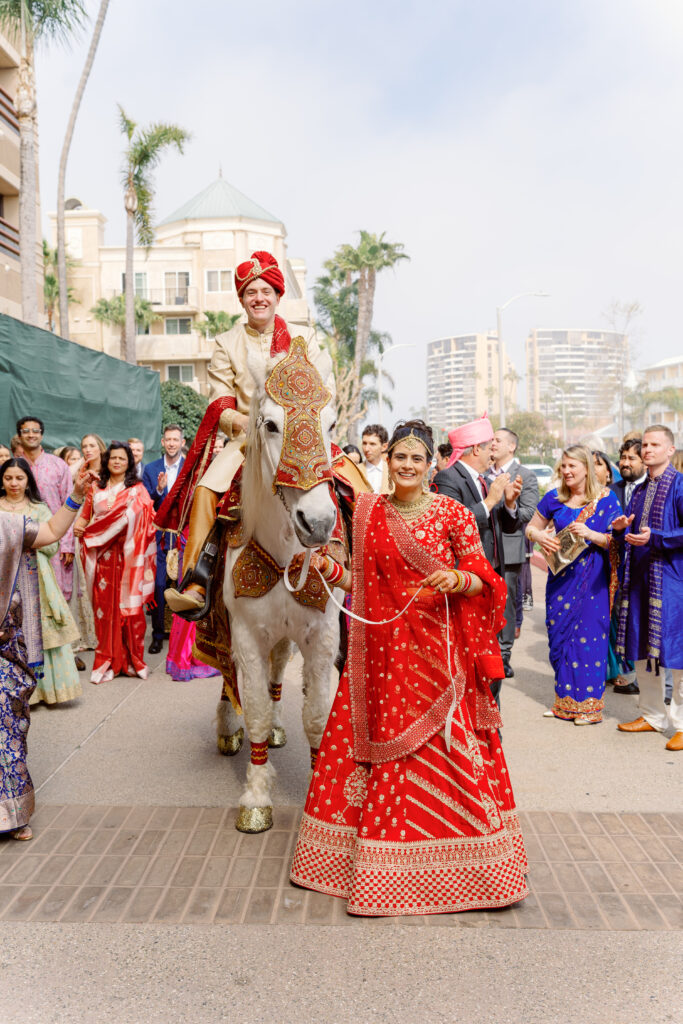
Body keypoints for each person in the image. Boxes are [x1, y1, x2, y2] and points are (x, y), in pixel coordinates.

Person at [290, 420, 528, 916]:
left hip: (438, 653)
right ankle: (375, 870)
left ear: (431, 464)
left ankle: (475, 868)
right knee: (375, 750)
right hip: (381, 653)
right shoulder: (369, 511)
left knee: (452, 751)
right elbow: (357, 578)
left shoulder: (454, 514)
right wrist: (325, 569)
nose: (407, 466)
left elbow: (486, 582)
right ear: (389, 461)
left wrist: (458, 578)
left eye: (417, 459)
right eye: (400, 457)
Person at [162, 251, 333, 614]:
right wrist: (243, 423)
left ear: (278, 295)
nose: (259, 298)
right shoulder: (227, 342)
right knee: (208, 489)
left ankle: (356, 564)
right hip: (249, 440)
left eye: (266, 290)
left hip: (304, 437)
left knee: (351, 479)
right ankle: (196, 579)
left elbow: (324, 388)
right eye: (251, 291)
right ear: (241, 299)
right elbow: (220, 399)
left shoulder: (305, 338)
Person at [1, 462, 95, 839]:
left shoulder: (7, 526)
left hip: (4, 649)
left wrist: (76, 494)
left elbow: (54, 530)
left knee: (7, 730)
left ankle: (13, 816)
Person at [526, 445, 621, 725]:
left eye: (572, 467)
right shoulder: (553, 498)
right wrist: (539, 537)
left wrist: (592, 534)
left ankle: (589, 708)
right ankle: (564, 704)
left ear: (586, 469)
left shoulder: (606, 499)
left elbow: (617, 541)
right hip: (560, 581)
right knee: (560, 640)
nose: (566, 471)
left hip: (592, 584)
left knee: (589, 641)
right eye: (563, 466)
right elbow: (530, 527)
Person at [431, 414, 521, 706]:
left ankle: (488, 717)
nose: (493, 451)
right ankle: (475, 717)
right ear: (475, 450)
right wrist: (491, 501)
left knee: (491, 652)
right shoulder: (449, 478)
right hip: (468, 580)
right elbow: (451, 526)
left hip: (493, 575)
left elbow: (506, 529)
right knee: (472, 652)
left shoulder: (486, 480)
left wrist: (507, 503)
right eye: (489, 445)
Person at [614, 425, 683, 751]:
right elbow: (630, 534)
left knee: (679, 654)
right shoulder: (639, 490)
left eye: (656, 444)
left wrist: (656, 538)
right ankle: (653, 715)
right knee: (642, 652)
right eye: (645, 444)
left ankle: (681, 723)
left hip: (672, 582)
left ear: (670, 450)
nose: (648, 449)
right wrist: (619, 530)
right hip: (640, 582)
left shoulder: (679, 485)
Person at [0, 459, 82, 705]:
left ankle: (40, 693)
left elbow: (53, 541)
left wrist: (23, 543)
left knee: (39, 631)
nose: (14, 483)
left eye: (19, 478)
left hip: (36, 578)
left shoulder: (38, 507)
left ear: (28, 481)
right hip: (4, 579)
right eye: (8, 478)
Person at [74, 442, 156, 684]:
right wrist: (81, 526)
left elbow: (147, 519)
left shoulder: (137, 490)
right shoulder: (95, 488)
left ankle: (132, 661)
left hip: (129, 557)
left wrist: (124, 522)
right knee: (105, 610)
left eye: (122, 458)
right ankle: (106, 660)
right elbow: (86, 516)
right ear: (107, 461)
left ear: (129, 462)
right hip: (102, 558)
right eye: (113, 458)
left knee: (129, 612)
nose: (117, 462)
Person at [486, 428, 539, 677]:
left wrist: (509, 504)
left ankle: (504, 654)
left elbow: (529, 513)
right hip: (484, 548)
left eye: (497, 440)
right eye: (491, 440)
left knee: (506, 604)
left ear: (511, 446)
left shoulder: (525, 476)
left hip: (509, 549)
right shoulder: (482, 474)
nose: (492, 444)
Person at [16, 416, 75, 602]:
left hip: (54, 541)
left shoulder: (58, 465)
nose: (31, 435)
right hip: (20, 541)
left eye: (35, 431)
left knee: (55, 594)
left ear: (42, 435)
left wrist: (67, 544)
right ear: (19, 435)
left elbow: (69, 503)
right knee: (22, 596)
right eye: (26, 431)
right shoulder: (14, 467)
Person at [608, 438, 647, 695]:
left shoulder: (655, 489)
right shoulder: (612, 491)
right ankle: (626, 674)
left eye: (631, 458)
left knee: (644, 624)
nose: (625, 462)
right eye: (622, 457)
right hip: (617, 568)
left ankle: (651, 681)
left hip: (647, 567)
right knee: (621, 622)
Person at [142, 425, 185, 653]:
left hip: (183, 535)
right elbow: (145, 501)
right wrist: (158, 491)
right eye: (168, 439)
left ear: (182, 442)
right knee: (159, 585)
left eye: (175, 440)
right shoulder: (151, 469)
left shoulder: (190, 467)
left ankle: (182, 635)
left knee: (183, 585)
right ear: (162, 442)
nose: (171, 443)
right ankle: (157, 634)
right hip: (159, 536)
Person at [361, 424, 390, 494]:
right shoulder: (355, 471)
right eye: (364, 443)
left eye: (372, 444)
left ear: (384, 447)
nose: (366, 449)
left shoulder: (392, 472)